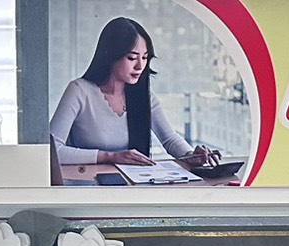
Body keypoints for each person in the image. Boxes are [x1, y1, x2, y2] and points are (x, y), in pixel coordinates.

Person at [49, 16, 220, 169]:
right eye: (132, 58)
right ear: (111, 56)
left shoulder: (143, 95)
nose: (140, 66)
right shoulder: (79, 91)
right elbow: (53, 150)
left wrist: (191, 155)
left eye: (145, 57)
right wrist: (109, 157)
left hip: (132, 186)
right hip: (87, 185)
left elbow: (169, 139)